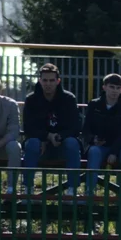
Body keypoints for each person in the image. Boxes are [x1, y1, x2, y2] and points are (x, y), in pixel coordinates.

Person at [22, 63, 82, 196]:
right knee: (32, 143)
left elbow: (75, 127)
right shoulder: (31, 99)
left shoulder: (69, 99)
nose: (48, 83)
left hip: (62, 145)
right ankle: (28, 188)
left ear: (58, 81)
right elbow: (28, 128)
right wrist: (47, 136)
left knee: (72, 143)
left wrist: (59, 137)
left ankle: (72, 189)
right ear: (39, 80)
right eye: (45, 80)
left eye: (51, 80)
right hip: (40, 146)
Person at [82, 73, 121, 197]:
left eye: (118, 88)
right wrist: (93, 139)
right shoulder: (94, 105)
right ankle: (90, 190)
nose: (115, 91)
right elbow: (86, 129)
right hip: (99, 146)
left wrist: (114, 151)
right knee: (94, 151)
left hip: (119, 147)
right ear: (104, 87)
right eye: (112, 87)